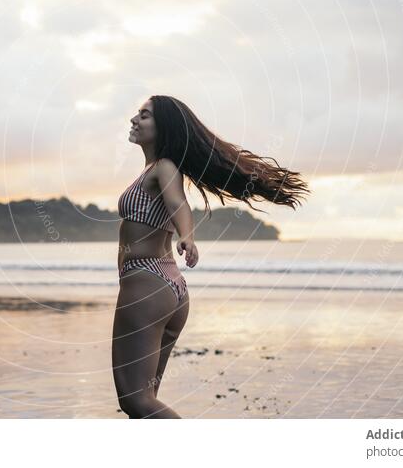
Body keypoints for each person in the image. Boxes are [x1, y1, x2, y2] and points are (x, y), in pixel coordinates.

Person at [112, 95, 309, 418]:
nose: (135, 119)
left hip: (146, 282)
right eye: (137, 113)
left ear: (164, 128)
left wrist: (187, 236)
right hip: (166, 286)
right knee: (145, 403)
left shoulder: (163, 167)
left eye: (145, 115)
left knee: (135, 401)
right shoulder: (154, 169)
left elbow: (179, 204)